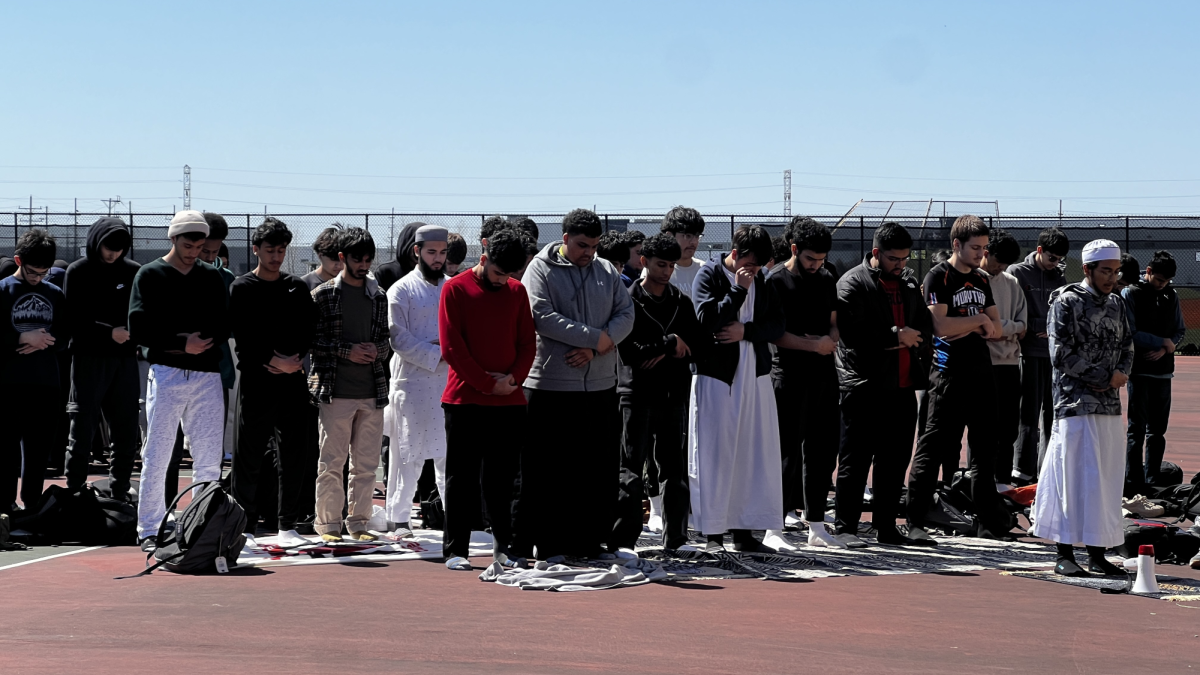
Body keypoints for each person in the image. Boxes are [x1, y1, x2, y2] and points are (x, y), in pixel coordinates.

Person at [521, 208, 635, 560]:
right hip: (550, 388)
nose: (589, 252)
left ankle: (589, 542)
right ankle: (549, 543)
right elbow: (540, 315)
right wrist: (594, 339)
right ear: (565, 238)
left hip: (600, 387)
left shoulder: (605, 271)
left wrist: (597, 345)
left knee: (596, 471)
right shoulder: (540, 269)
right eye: (583, 245)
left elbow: (626, 314)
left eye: (595, 245)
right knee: (550, 471)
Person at [127, 211, 230, 550]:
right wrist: (179, 342)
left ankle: (205, 526)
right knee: (157, 452)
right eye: (188, 244)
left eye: (200, 245)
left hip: (207, 375)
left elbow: (225, 321)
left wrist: (205, 341)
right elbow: (138, 327)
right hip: (168, 373)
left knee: (208, 456)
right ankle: (149, 529)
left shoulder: (212, 277)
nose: (194, 251)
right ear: (172, 239)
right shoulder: (150, 274)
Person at [1030, 240, 1132, 577]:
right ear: (1087, 269)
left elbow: (1127, 346)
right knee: (1070, 477)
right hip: (1074, 405)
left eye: (1115, 272)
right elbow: (1060, 354)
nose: (1111, 278)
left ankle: (1097, 552)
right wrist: (1103, 376)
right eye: (1106, 271)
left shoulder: (1117, 304)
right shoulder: (1066, 301)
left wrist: (1122, 374)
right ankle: (1064, 552)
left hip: (1108, 406)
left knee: (1103, 479)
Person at [906, 215, 1010, 545]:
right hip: (948, 376)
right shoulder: (939, 276)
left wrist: (971, 323)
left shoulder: (981, 279)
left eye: (984, 248)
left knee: (984, 452)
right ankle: (916, 520)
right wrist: (976, 320)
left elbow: (996, 328)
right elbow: (940, 327)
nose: (981, 254)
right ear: (956, 245)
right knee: (933, 447)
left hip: (982, 374)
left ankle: (988, 524)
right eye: (975, 248)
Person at [438, 228, 537, 570]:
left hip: (509, 401)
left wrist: (512, 380)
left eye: (509, 274)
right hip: (465, 400)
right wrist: (485, 383)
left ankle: (503, 548)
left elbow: (527, 343)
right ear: (483, 259)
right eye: (498, 273)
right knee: (461, 477)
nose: (503, 280)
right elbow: (452, 347)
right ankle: (455, 550)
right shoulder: (455, 289)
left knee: (502, 478)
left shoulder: (517, 291)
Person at [833, 223, 931, 548]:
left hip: (903, 388)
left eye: (905, 258)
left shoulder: (909, 284)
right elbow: (853, 335)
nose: (900, 264)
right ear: (876, 254)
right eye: (893, 258)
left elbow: (922, 326)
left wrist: (914, 343)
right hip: (863, 386)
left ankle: (886, 527)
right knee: (856, 458)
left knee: (894, 461)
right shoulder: (852, 283)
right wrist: (895, 336)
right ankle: (845, 527)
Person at [690, 225, 785, 553]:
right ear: (735, 254)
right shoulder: (709, 275)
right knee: (716, 454)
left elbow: (777, 325)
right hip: (717, 379)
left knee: (751, 454)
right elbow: (706, 320)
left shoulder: (763, 281)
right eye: (750, 264)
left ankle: (744, 533)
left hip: (755, 377)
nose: (754, 271)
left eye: (760, 267)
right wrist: (738, 291)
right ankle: (714, 534)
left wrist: (747, 330)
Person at [612, 233, 704, 553]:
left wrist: (673, 348)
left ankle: (676, 539)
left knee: (674, 471)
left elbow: (696, 347)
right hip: (635, 396)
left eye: (671, 265)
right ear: (644, 262)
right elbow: (631, 352)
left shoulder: (682, 302)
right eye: (660, 264)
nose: (666, 271)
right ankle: (624, 540)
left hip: (673, 395)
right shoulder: (628, 300)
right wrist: (668, 344)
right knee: (630, 472)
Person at [228, 218, 317, 546]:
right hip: (257, 382)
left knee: (294, 454)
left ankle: (287, 524)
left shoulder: (296, 287)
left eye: (281, 250)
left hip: (293, 381)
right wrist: (272, 360)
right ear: (256, 250)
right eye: (270, 250)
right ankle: (244, 524)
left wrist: (293, 360)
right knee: (248, 455)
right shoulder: (242, 288)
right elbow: (245, 336)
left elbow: (309, 328)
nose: (276, 256)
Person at [309, 227, 391, 543]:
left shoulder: (379, 295)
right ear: (342, 258)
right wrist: (348, 350)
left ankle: (358, 523)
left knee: (367, 466)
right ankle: (328, 525)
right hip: (335, 391)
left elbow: (385, 340)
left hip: (372, 393)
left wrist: (376, 351)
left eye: (368, 259)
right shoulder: (323, 294)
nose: (364, 265)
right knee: (332, 463)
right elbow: (313, 341)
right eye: (358, 259)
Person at [766, 217, 843, 549]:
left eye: (822, 259)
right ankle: (773, 527)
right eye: (811, 258)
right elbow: (775, 334)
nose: (817, 265)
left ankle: (816, 524)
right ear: (795, 250)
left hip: (825, 376)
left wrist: (830, 340)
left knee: (823, 451)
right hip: (788, 378)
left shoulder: (827, 278)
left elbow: (835, 322)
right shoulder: (775, 282)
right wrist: (813, 344)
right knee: (785, 453)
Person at [62, 218, 141, 502]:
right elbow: (73, 320)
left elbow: (140, 314)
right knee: (81, 428)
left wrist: (131, 334)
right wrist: (111, 333)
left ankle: (120, 494)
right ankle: (74, 494)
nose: (113, 253)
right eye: (109, 247)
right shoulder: (78, 271)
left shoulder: (133, 271)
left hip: (124, 362)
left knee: (125, 431)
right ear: (96, 241)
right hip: (88, 360)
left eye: (120, 249)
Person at [383, 225, 451, 536]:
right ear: (417, 252)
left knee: (449, 455)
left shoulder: (454, 287)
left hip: (449, 382)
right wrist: (437, 352)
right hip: (411, 383)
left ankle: (455, 518)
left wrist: (450, 353)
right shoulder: (400, 289)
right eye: (431, 252)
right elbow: (399, 338)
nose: (437, 259)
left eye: (442, 253)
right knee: (407, 452)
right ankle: (399, 517)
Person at [0, 229, 66, 515]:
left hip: (45, 384)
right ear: (18, 260)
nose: (38, 277)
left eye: (44, 272)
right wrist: (21, 339)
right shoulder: (3, 289)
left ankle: (32, 504)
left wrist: (45, 340)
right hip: (8, 384)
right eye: (33, 272)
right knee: (6, 451)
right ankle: (5, 506)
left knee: (38, 451)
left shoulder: (54, 292)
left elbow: (64, 336)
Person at [1122, 250, 1186, 499]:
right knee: (1136, 430)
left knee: (1158, 431)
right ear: (1148, 272)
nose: (1163, 285)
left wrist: (1168, 345)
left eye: (1167, 281)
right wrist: (1162, 342)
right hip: (1140, 371)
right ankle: (1132, 481)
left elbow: (1179, 330)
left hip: (1163, 373)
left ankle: (1152, 479)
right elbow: (1130, 331)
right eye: (1159, 280)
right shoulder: (1131, 293)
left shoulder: (1172, 295)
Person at [1009, 227, 1070, 484]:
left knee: (1052, 415)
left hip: (1053, 355)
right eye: (1052, 258)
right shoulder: (1016, 273)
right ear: (1039, 251)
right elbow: (1013, 314)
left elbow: (1062, 312)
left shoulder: (1059, 277)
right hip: (1027, 353)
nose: (1055, 264)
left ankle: (1045, 469)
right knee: (1028, 414)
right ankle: (1021, 470)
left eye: (1060, 259)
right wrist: (1039, 326)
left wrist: (1054, 329)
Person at [979, 230, 1028, 485]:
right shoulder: (973, 280)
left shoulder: (1011, 282)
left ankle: (1003, 480)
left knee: (1008, 428)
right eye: (998, 262)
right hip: (984, 364)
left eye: (1005, 264)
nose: (1000, 268)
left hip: (1010, 363)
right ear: (986, 253)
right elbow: (980, 327)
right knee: (984, 429)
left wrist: (1001, 329)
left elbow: (1023, 325)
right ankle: (982, 481)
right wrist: (1003, 329)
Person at [659, 206, 707, 304]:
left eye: (697, 236)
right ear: (669, 236)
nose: (694, 242)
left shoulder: (705, 269)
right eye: (688, 236)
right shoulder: (656, 269)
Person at [376, 221, 424, 292]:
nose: (419, 252)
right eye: (417, 247)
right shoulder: (386, 272)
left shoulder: (433, 272)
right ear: (407, 245)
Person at [302, 226, 345, 291]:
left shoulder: (354, 284)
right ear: (320, 255)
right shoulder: (304, 284)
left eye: (342, 259)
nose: (339, 265)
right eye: (333, 258)